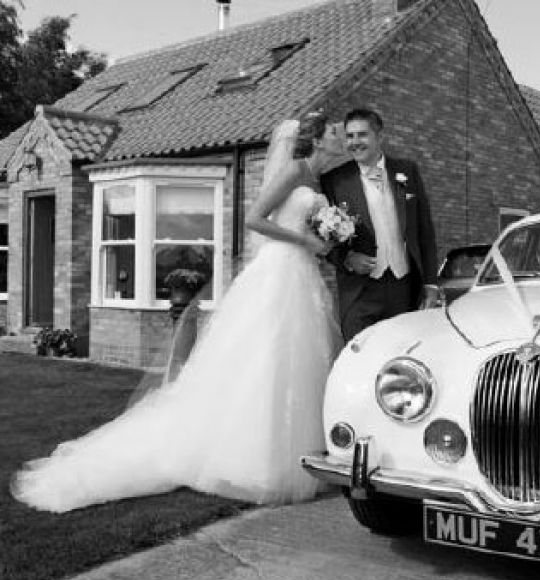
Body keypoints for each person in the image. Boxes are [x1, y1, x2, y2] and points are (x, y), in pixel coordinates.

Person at [10, 112, 346, 513]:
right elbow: (255, 218)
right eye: (335, 131)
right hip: (280, 270)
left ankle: (293, 453)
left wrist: (325, 238)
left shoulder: (317, 179)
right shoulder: (294, 170)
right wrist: (304, 240)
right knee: (265, 358)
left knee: (295, 361)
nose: (341, 136)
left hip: (302, 273)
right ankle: (253, 461)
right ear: (318, 139)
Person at [321, 107, 439, 342]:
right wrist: (346, 259)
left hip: (404, 288)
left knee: (400, 355)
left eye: (362, 135)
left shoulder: (407, 171)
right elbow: (321, 237)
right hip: (360, 292)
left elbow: (425, 231)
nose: (355, 142)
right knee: (360, 357)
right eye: (350, 136)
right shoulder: (334, 180)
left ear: (379, 136)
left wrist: (431, 284)